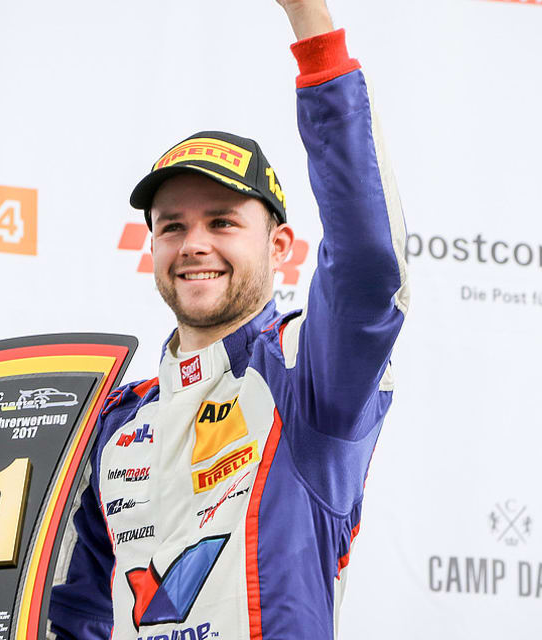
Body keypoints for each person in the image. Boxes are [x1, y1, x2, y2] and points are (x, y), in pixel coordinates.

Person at [49, 1, 408, 638]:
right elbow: (75, 615)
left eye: (222, 222)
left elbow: (367, 266)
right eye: (173, 227)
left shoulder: (307, 379)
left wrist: (312, 28)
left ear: (279, 246)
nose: (194, 244)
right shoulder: (114, 423)